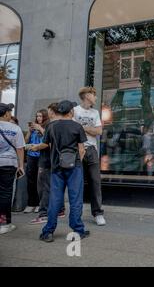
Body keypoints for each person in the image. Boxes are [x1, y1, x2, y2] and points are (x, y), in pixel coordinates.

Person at [39, 100, 89, 242]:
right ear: (71, 112)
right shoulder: (77, 126)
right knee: (75, 199)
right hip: (74, 168)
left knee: (55, 199)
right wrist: (75, 161)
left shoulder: (50, 127)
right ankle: (78, 230)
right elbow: (81, 149)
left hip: (56, 167)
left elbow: (46, 144)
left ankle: (48, 232)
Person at [73, 87, 106, 226]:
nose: (96, 98)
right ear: (87, 95)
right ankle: (76, 214)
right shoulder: (74, 110)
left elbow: (98, 131)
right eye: (94, 95)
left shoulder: (95, 112)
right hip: (77, 149)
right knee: (77, 182)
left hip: (92, 149)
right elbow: (72, 130)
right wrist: (89, 130)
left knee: (95, 182)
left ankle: (98, 213)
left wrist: (82, 127)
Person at [29, 103, 65, 224]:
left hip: (46, 161)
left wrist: (36, 147)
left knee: (44, 188)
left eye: (48, 111)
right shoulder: (62, 124)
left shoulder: (50, 125)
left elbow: (48, 142)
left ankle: (44, 214)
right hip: (56, 160)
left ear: (51, 112)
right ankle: (60, 210)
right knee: (54, 187)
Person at [0, 103, 25, 234]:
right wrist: (21, 165)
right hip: (8, 163)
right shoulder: (15, 128)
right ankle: (4, 223)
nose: (10, 114)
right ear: (6, 114)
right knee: (5, 193)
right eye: (9, 112)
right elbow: (20, 148)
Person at [23, 109, 49, 213]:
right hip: (31, 156)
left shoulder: (47, 127)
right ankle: (31, 203)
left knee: (41, 181)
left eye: (41, 116)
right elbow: (25, 142)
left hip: (41, 156)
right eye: (37, 116)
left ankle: (40, 203)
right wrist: (29, 131)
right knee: (31, 180)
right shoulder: (33, 128)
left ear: (45, 117)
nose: (38, 118)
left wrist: (40, 129)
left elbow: (48, 139)